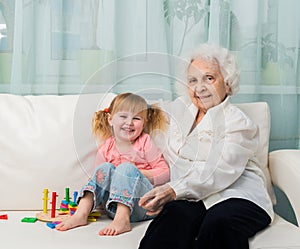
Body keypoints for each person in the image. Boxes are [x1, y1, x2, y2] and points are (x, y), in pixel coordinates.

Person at [138, 44, 274, 249]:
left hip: (237, 195)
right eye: (193, 80)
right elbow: (138, 111)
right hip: (191, 198)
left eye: (209, 78)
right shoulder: (177, 110)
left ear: (227, 84)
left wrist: (174, 190)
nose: (200, 88)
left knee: (219, 225)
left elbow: (219, 170)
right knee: (172, 218)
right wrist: (117, 111)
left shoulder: (239, 123)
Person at [56, 92, 170, 236]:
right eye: (123, 116)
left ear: (144, 123)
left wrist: (138, 173)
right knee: (104, 168)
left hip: (143, 206)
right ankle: (81, 213)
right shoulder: (107, 147)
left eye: (136, 118)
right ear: (110, 119)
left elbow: (165, 173)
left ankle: (123, 219)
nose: (129, 122)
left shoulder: (145, 142)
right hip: (112, 207)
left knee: (125, 169)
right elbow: (98, 180)